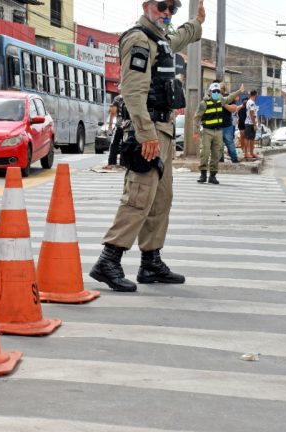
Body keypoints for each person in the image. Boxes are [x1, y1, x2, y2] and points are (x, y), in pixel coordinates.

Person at [89, 0, 205, 292]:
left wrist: (198, 22)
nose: (166, 13)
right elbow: (132, 90)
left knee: (161, 198)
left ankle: (150, 262)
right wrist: (145, 134)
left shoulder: (161, 38)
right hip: (148, 131)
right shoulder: (139, 39)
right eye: (162, 6)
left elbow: (182, 36)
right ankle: (108, 259)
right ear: (147, 5)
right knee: (139, 195)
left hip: (163, 131)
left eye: (172, 9)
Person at [193, 81, 241, 184]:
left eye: (218, 91)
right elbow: (196, 118)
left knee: (216, 154)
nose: (216, 93)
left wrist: (239, 91)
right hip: (207, 131)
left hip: (218, 131)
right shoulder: (204, 103)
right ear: (209, 92)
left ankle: (213, 176)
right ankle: (203, 174)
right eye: (214, 91)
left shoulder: (221, 100)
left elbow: (230, 98)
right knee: (205, 153)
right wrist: (195, 132)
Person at [221, 84, 243, 164]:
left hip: (227, 125)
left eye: (220, 89)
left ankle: (234, 158)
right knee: (218, 144)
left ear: (223, 89)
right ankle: (220, 159)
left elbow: (234, 109)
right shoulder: (214, 98)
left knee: (229, 142)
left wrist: (224, 104)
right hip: (217, 126)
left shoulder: (228, 98)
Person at [104, 94, 126, 170]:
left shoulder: (118, 98)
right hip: (129, 125)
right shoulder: (132, 95)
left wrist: (110, 126)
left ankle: (112, 163)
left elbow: (113, 112)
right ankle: (124, 163)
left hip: (119, 125)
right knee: (125, 144)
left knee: (114, 144)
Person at [243, 90, 260, 159]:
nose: (257, 96)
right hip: (249, 123)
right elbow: (251, 113)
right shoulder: (251, 103)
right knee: (247, 138)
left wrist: (256, 122)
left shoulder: (251, 102)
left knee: (252, 138)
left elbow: (254, 114)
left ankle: (251, 153)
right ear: (255, 95)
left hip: (251, 123)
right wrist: (254, 124)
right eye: (257, 95)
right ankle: (246, 153)